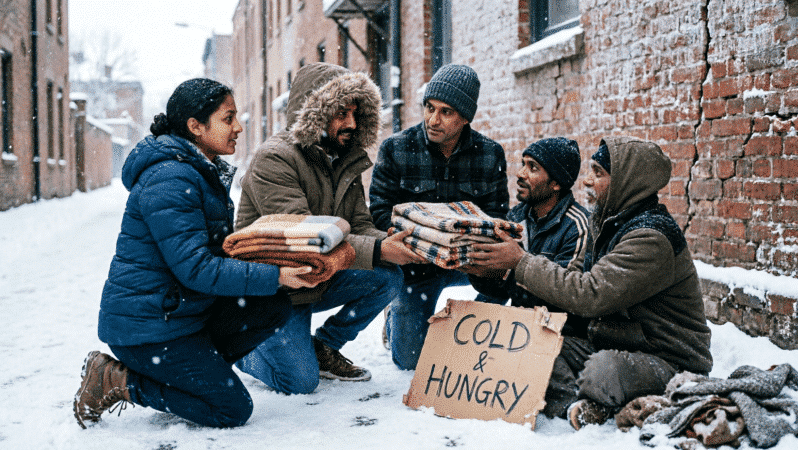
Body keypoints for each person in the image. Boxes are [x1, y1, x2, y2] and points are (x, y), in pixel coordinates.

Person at [73, 78, 317, 429]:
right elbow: (197, 268)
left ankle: (197, 379)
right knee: (232, 410)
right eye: (228, 118)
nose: (238, 127)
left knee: (271, 306)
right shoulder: (170, 179)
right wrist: (275, 274)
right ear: (196, 126)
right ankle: (117, 380)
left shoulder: (199, 171)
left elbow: (214, 253)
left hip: (184, 313)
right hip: (149, 328)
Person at [468, 136, 713, 429]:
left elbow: (589, 294)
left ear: (626, 181)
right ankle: (577, 406)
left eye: (598, 173)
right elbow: (572, 284)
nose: (586, 181)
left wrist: (520, 262)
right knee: (534, 342)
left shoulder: (650, 237)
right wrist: (487, 270)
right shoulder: (611, 222)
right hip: (616, 340)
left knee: (601, 372)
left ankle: (588, 399)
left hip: (666, 357)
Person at [235, 63, 416, 392]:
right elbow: (301, 237)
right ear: (315, 114)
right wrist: (378, 249)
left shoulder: (344, 157)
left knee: (389, 275)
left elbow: (360, 224)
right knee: (299, 382)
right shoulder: (274, 159)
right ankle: (244, 351)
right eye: (340, 113)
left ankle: (324, 346)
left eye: (354, 113)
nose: (351, 123)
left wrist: (399, 244)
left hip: (317, 276)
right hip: (274, 289)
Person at [369, 63, 510, 370]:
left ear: (465, 117)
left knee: (509, 277)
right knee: (409, 361)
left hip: (468, 260)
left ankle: (466, 337)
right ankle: (396, 316)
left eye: (446, 112)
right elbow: (379, 212)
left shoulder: (490, 154)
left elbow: (498, 215)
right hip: (416, 266)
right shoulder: (396, 149)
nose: (433, 120)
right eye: (429, 108)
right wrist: (418, 245)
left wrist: (475, 251)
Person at [464, 137, 590, 339]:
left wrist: (512, 268)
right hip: (520, 331)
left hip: (560, 336)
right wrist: (480, 271)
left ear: (556, 182)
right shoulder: (516, 217)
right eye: (524, 164)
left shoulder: (578, 227)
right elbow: (502, 292)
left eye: (533, 168)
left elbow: (567, 297)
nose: (520, 173)